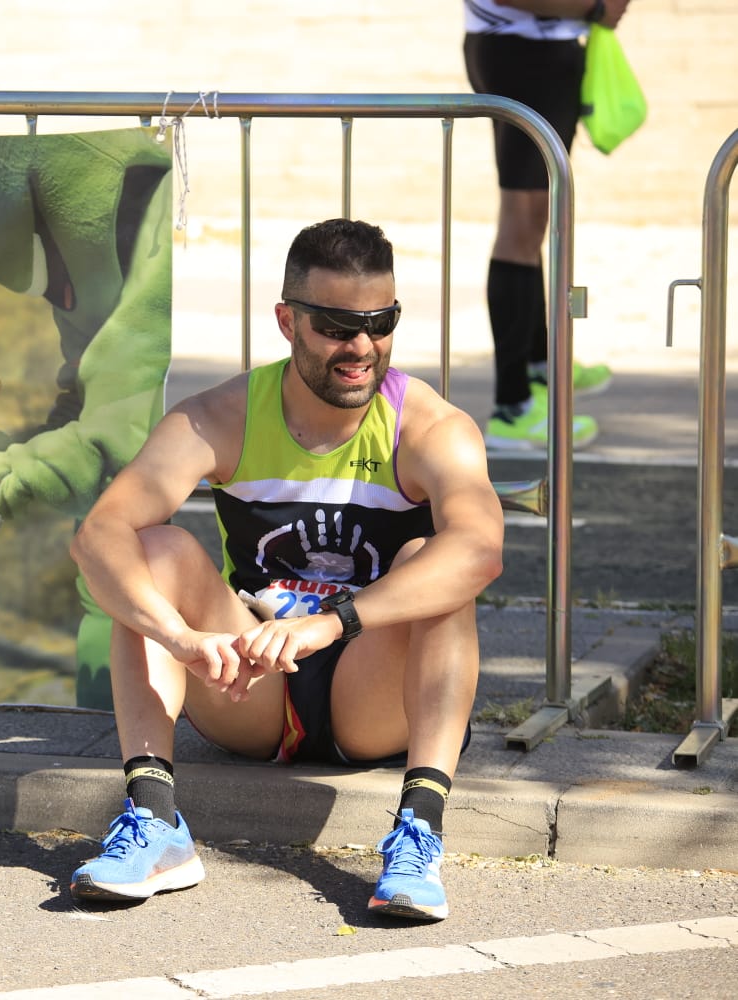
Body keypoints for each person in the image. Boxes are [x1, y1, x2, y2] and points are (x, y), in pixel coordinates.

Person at [66, 219, 504, 922]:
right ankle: (155, 825)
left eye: (379, 321)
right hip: (250, 686)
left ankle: (419, 833)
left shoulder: (427, 424)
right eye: (335, 325)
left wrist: (333, 625)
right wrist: (181, 639)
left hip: (372, 692)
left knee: (438, 564)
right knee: (155, 552)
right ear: (287, 321)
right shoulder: (222, 416)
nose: (361, 348)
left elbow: (481, 551)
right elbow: (98, 537)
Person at [464, 0, 631, 451]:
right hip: (522, 55)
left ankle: (539, 369)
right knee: (519, 226)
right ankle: (512, 407)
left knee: (532, 223)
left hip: (537, 55)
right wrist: (594, 7)